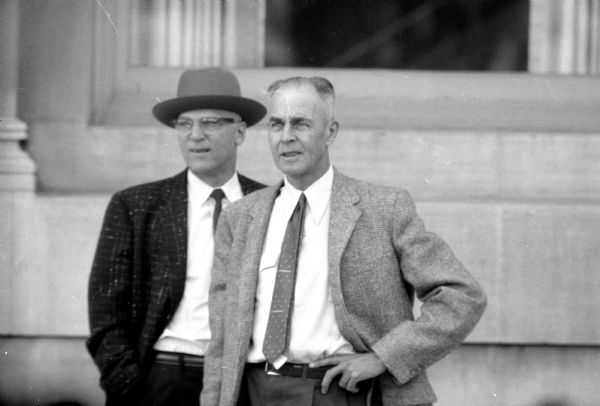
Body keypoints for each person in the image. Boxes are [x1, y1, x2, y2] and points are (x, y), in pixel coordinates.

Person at [201, 76, 487, 406]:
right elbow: (221, 338)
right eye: (276, 125)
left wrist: (384, 357)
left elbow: (462, 296)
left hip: (340, 393)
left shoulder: (383, 208)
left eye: (301, 124)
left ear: (331, 132)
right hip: (253, 391)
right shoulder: (240, 217)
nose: (286, 137)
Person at [87, 67, 267, 405]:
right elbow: (106, 313)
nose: (195, 135)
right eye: (185, 124)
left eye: (211, 123)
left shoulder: (271, 204)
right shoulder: (136, 206)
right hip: (162, 378)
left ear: (240, 131)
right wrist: (130, 386)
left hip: (243, 382)